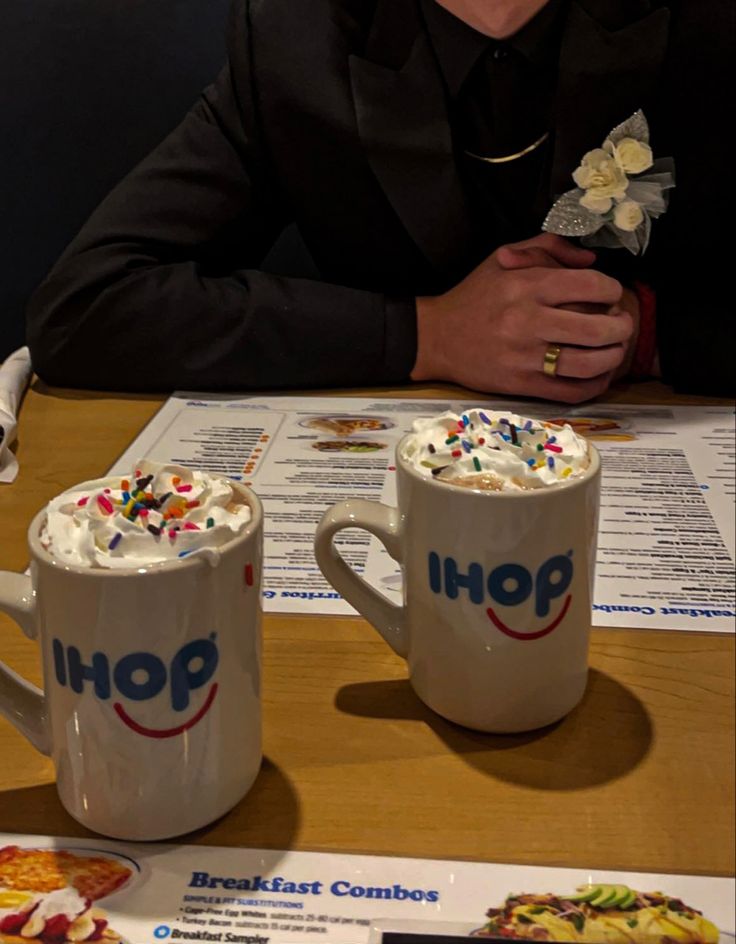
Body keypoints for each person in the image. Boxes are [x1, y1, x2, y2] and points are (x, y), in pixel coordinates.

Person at [26, 0, 733, 401]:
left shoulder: (709, 27)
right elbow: (89, 307)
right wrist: (426, 335)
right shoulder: (297, 39)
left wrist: (647, 334)